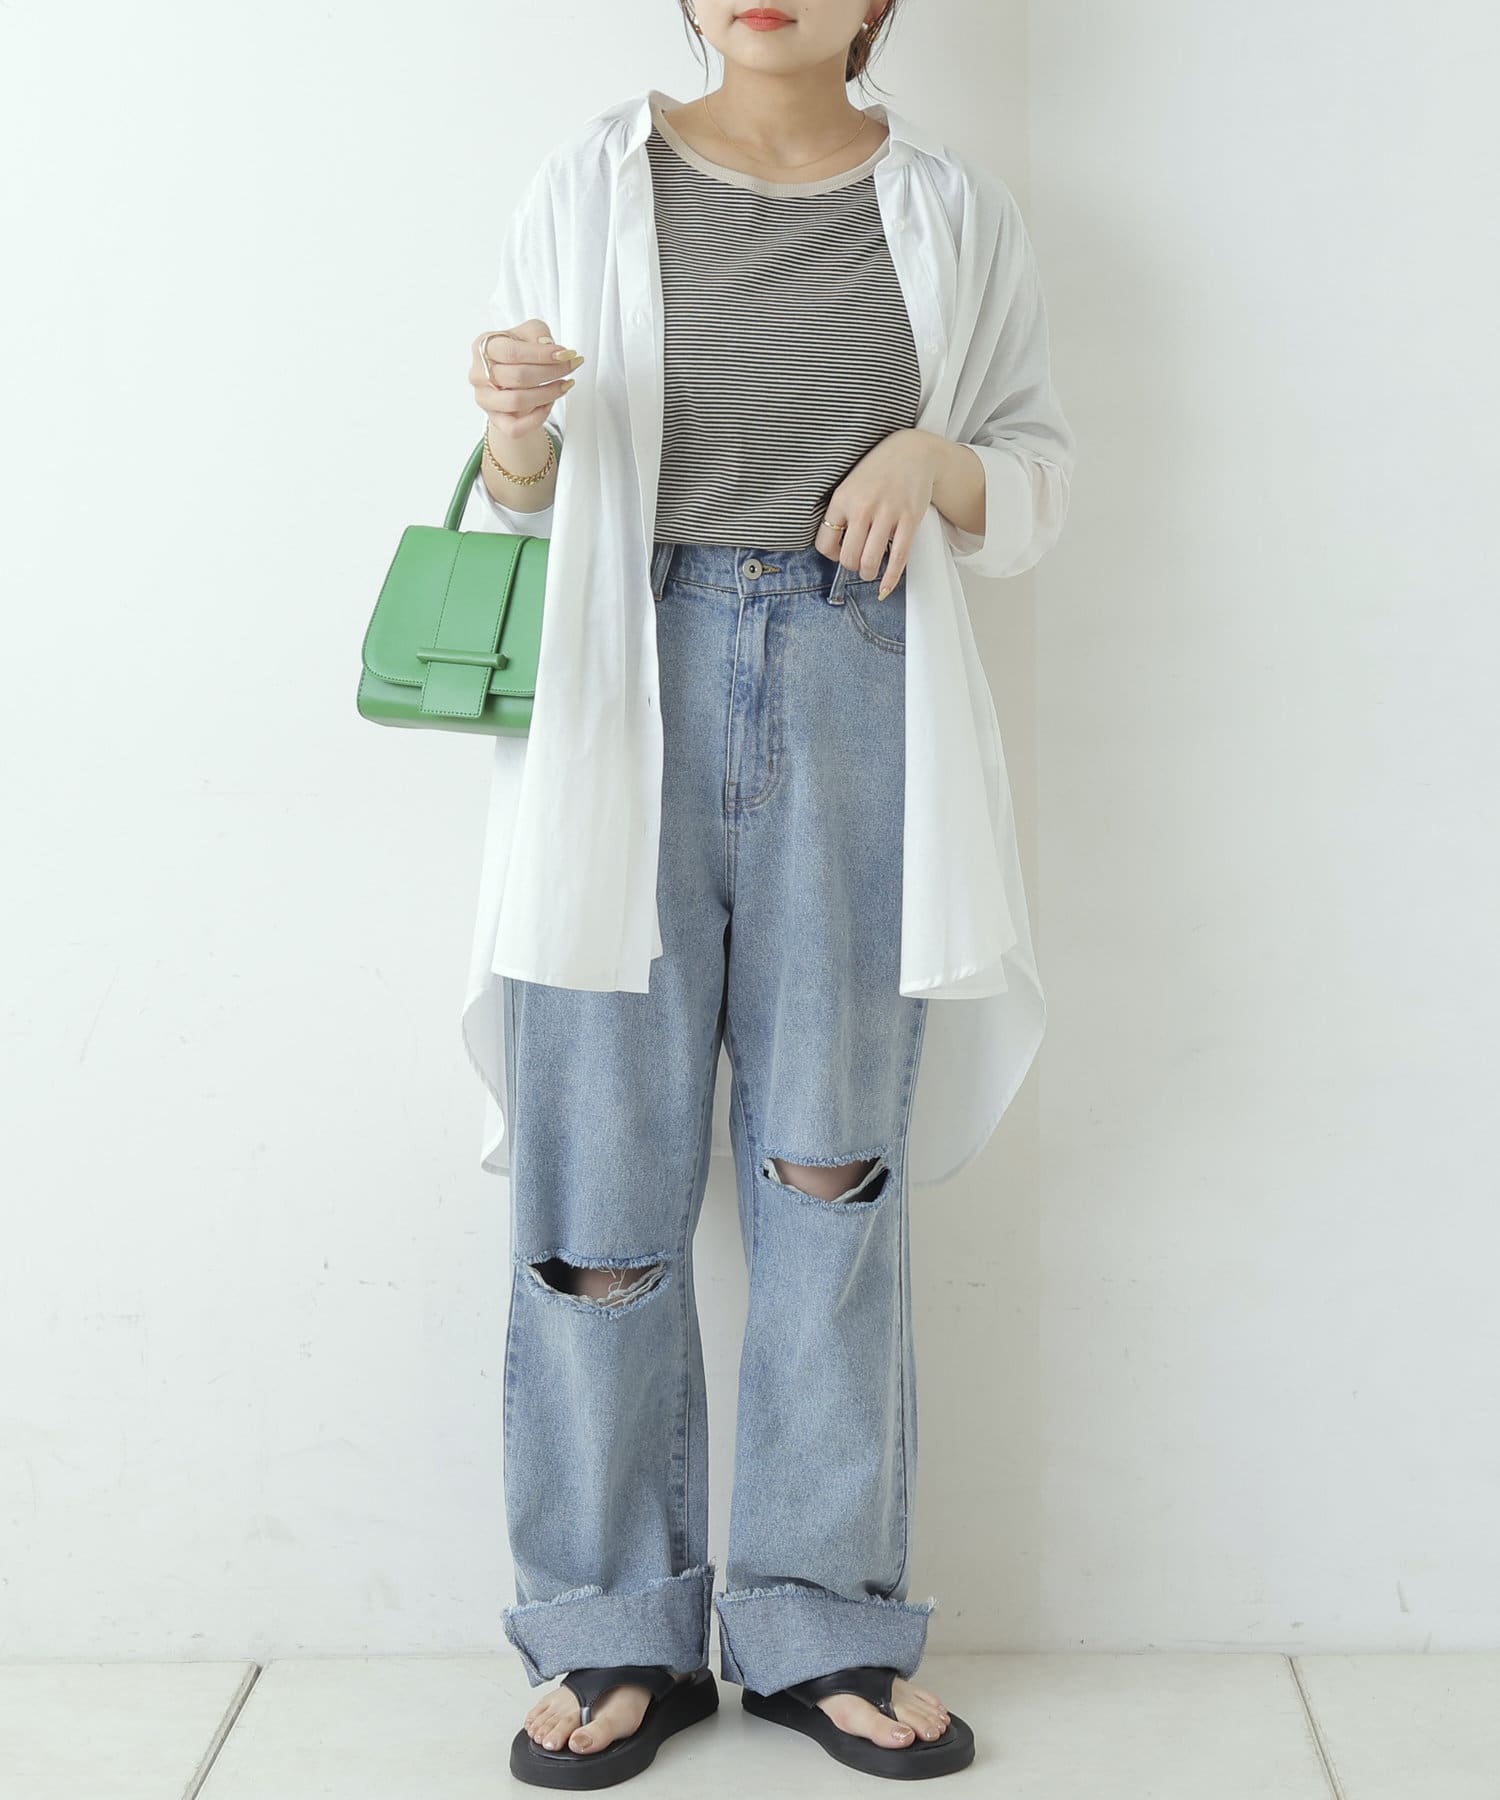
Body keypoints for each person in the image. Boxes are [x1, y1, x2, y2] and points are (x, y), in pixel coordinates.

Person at [460, 2, 1075, 1786]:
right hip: (620, 693)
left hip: (856, 680)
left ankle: (820, 1622)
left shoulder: (951, 208)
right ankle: (609, 1629)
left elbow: (1036, 472)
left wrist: (937, 463)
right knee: (597, 1194)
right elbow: (526, 504)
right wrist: (511, 432)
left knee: (830, 1175)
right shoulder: (591, 181)